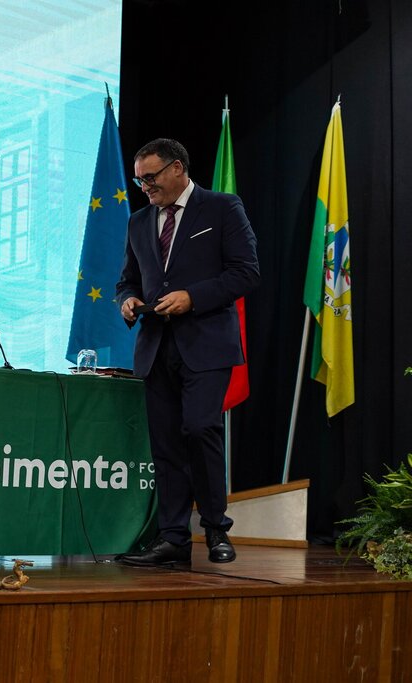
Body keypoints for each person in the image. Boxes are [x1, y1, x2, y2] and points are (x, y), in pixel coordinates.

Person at [115, 138, 259, 566]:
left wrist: (192, 297)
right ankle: (173, 539)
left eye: (151, 177)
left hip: (206, 345)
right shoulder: (138, 221)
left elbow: (246, 273)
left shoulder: (222, 208)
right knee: (165, 447)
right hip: (156, 347)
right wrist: (126, 299)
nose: (145, 187)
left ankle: (215, 529)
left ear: (177, 168)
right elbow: (128, 279)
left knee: (200, 430)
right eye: (140, 180)